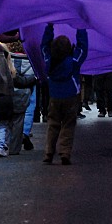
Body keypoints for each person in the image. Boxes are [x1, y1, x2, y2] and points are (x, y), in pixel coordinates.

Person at [41, 24, 88, 165]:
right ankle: (65, 153)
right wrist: (80, 26)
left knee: (53, 124)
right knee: (68, 124)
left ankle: (49, 152)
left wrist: (49, 27)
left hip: (54, 96)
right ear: (69, 49)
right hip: (71, 96)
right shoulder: (73, 62)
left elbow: (43, 45)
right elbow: (83, 47)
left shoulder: (49, 61)